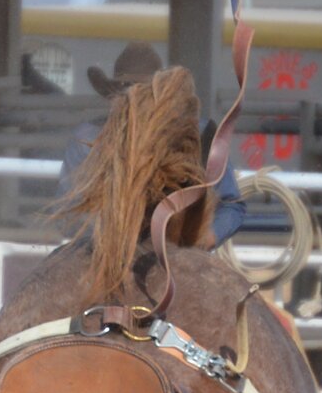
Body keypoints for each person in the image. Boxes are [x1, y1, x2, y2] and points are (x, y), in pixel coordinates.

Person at [58, 42, 245, 245]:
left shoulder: (200, 136)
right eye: (126, 91)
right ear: (114, 97)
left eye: (143, 93)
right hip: (105, 249)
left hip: (180, 250)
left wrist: (207, 237)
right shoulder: (87, 138)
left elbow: (230, 204)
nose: (134, 100)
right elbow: (69, 211)